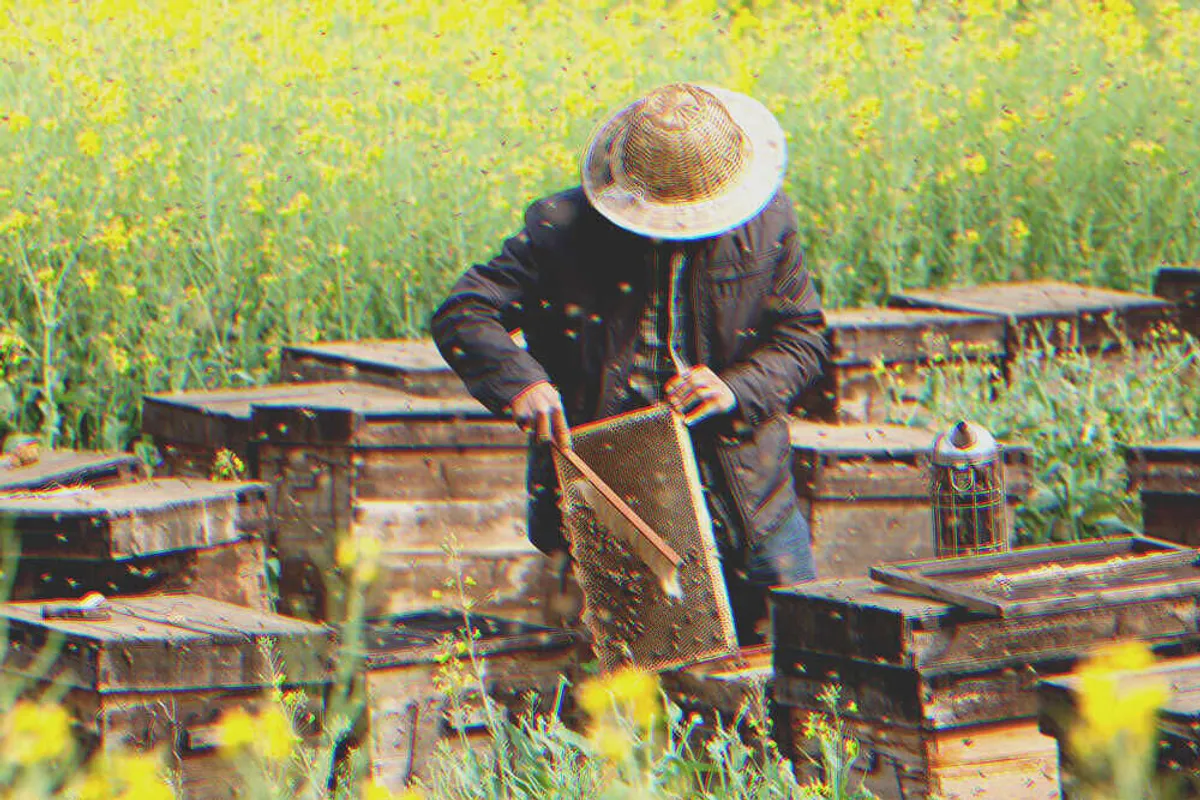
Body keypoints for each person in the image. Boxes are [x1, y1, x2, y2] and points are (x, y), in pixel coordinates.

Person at [431, 82, 828, 644]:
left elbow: (803, 340)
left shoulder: (769, 223)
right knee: (634, 688)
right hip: (614, 495)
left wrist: (735, 388)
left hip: (749, 495)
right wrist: (521, 382)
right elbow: (464, 311)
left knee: (798, 671)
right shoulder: (561, 230)